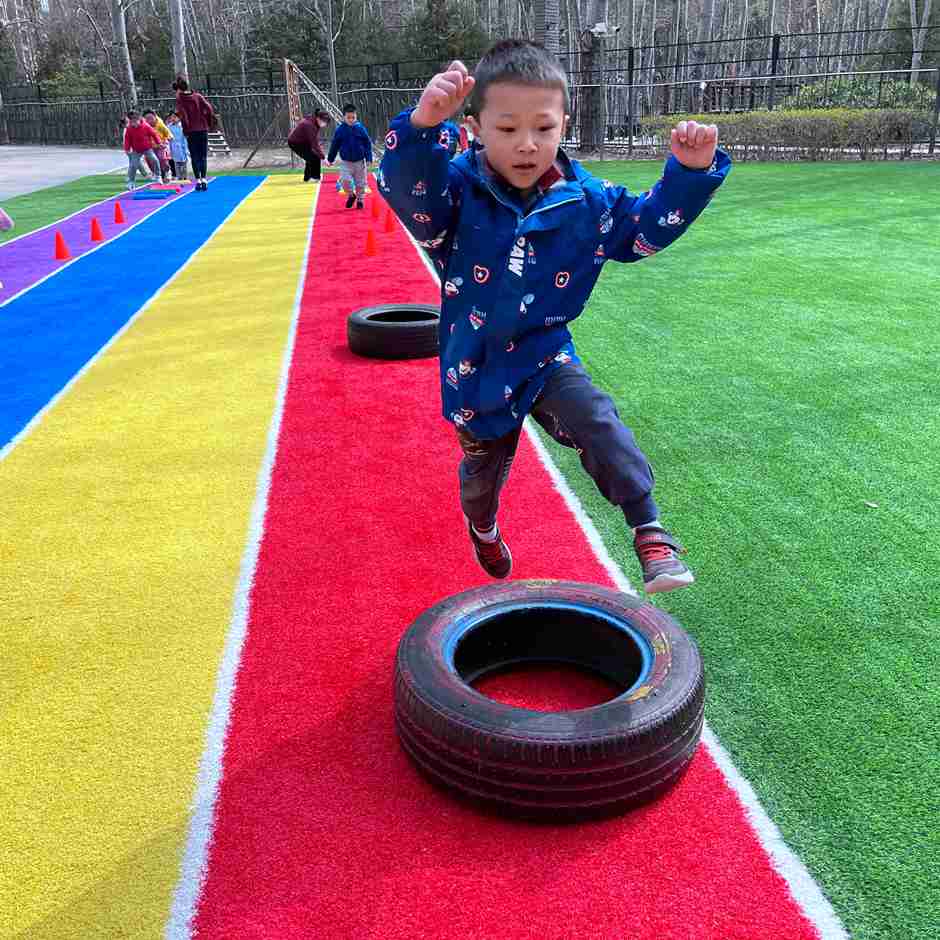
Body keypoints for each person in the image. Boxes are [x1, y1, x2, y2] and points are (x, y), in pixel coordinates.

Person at [379, 40, 731, 593]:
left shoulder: (588, 201)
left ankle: (649, 530)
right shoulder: (457, 193)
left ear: (563, 123)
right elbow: (412, 199)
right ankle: (483, 525)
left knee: (597, 419)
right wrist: (422, 126)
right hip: (474, 368)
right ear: (474, 127)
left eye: (543, 128)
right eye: (507, 128)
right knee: (482, 476)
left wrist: (690, 173)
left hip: (545, 354)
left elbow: (643, 232)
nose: (527, 144)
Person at [173, 76, 216, 191]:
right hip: (203, 129)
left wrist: (186, 129)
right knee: (203, 156)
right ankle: (204, 179)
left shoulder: (180, 99)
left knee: (194, 156)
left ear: (179, 89)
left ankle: (198, 180)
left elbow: (183, 116)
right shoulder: (198, 96)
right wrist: (209, 122)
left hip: (191, 131)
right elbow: (209, 108)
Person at [327, 102, 373, 209]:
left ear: (356, 117)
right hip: (346, 162)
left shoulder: (360, 128)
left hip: (360, 162)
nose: (351, 120)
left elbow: (367, 143)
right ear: (344, 117)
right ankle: (351, 195)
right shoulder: (340, 130)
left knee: (361, 184)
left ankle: (360, 200)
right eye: (348, 118)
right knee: (345, 180)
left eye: (353, 117)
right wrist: (330, 159)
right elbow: (334, 145)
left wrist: (369, 158)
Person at [123, 110, 163, 191]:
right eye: (131, 122)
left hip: (147, 148)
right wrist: (127, 149)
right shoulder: (129, 129)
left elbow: (154, 134)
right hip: (136, 150)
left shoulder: (146, 126)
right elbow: (127, 140)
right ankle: (131, 182)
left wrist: (159, 143)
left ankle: (158, 176)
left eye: (135, 121)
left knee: (154, 159)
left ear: (139, 119)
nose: (134, 124)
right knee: (133, 165)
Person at [288, 109, 331, 182]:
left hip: (303, 141)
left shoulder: (314, 121)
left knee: (312, 157)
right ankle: (314, 177)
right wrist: (324, 158)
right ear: (318, 118)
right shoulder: (310, 125)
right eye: (324, 121)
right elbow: (314, 143)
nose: (325, 124)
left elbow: (314, 140)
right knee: (313, 157)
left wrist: (320, 154)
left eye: (326, 122)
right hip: (295, 142)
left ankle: (308, 178)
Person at [143, 108, 173, 182]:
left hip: (161, 144)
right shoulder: (144, 125)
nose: (149, 120)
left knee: (162, 158)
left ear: (155, 116)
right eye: (147, 119)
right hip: (151, 146)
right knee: (149, 159)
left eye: (151, 118)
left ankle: (168, 172)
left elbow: (168, 133)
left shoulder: (160, 124)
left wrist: (168, 138)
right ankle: (156, 174)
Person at [166, 111, 189, 180]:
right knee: (176, 163)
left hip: (182, 147)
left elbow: (184, 138)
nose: (173, 118)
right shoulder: (169, 127)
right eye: (171, 117)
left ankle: (184, 177)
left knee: (183, 163)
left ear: (179, 118)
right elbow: (168, 137)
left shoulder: (182, 126)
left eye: (175, 117)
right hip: (173, 147)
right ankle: (179, 177)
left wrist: (186, 148)